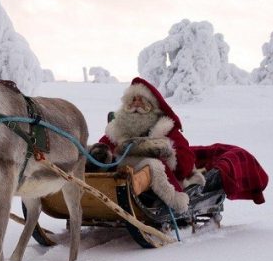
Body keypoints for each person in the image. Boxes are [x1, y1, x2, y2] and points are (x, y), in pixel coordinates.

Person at [88, 77, 205, 212]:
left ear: (152, 106)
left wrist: (168, 155)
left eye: (142, 100)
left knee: (152, 165)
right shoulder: (117, 128)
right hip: (120, 175)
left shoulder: (165, 129)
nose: (136, 104)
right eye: (133, 100)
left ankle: (174, 200)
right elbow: (103, 147)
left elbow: (186, 160)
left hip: (155, 182)